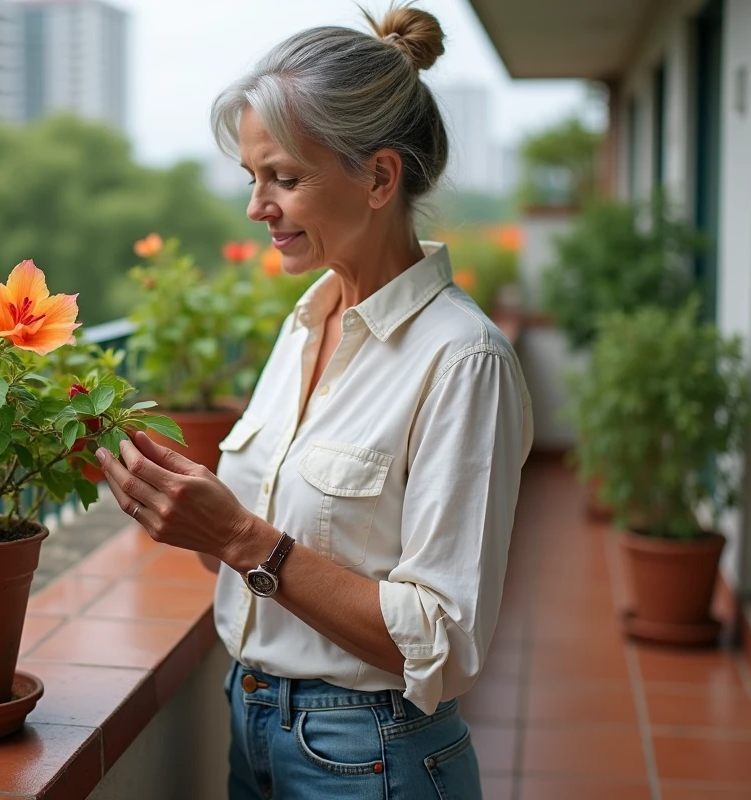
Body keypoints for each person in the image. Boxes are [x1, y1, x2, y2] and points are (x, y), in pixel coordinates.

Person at [93, 3, 534, 797]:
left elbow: (443, 641)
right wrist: (189, 509)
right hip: (253, 721)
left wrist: (240, 539)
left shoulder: (464, 361)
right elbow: (267, 544)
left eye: (284, 179)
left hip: (372, 756)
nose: (257, 208)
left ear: (378, 176)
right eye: (253, 178)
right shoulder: (305, 324)